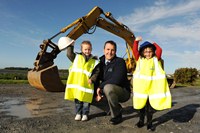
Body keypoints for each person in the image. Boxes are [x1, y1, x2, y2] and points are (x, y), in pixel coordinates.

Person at [132, 36, 172, 131]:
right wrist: (136, 42)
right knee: (141, 107)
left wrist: (153, 42)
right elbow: (134, 51)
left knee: (149, 109)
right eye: (145, 51)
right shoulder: (139, 59)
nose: (148, 53)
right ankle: (141, 121)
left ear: (153, 52)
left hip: (152, 88)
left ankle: (149, 123)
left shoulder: (156, 59)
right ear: (142, 52)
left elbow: (159, 49)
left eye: (150, 51)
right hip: (142, 89)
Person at [62, 38, 100, 121]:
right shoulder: (76, 57)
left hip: (87, 85)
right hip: (78, 85)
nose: (87, 51)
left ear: (91, 49)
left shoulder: (94, 61)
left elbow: (96, 72)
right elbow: (69, 54)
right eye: (85, 49)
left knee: (86, 101)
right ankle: (78, 113)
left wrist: (92, 79)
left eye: (89, 49)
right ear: (81, 49)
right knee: (78, 101)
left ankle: (85, 114)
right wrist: (71, 46)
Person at [96, 40, 131, 125]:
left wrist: (100, 87)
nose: (110, 52)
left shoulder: (120, 62)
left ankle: (116, 115)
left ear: (115, 51)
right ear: (104, 50)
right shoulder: (99, 63)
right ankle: (111, 108)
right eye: (108, 49)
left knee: (108, 88)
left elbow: (116, 80)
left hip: (123, 92)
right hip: (106, 89)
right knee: (87, 92)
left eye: (112, 50)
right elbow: (95, 76)